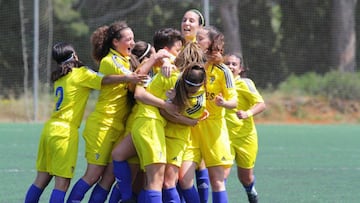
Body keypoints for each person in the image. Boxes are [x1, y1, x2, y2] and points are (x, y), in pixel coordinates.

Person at [24, 42, 147, 203]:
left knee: (41, 179)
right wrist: (127, 77)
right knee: (62, 183)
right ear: (74, 56)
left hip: (49, 128)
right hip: (65, 132)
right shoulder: (80, 73)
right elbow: (104, 79)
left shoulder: (60, 77)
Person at [66, 21, 148, 203]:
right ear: (115, 43)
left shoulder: (127, 59)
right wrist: (155, 59)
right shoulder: (109, 61)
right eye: (129, 39)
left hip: (118, 126)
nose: (133, 43)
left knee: (110, 178)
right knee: (93, 174)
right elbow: (133, 78)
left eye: (133, 39)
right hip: (102, 125)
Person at [109, 28, 184, 203]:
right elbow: (139, 93)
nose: (178, 55)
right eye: (177, 50)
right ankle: (127, 198)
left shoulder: (159, 69)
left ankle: (126, 198)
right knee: (156, 182)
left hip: (141, 124)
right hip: (150, 124)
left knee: (120, 157)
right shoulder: (167, 68)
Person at [180, 25, 238, 203]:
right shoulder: (190, 65)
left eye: (201, 38)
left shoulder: (222, 71)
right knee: (184, 180)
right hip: (191, 128)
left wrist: (224, 103)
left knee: (217, 182)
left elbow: (234, 101)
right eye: (196, 37)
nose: (196, 40)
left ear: (212, 43)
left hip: (213, 130)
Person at [223, 53, 266, 203]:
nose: (230, 66)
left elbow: (261, 104)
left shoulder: (246, 83)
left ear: (240, 68)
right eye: (227, 63)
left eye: (234, 64)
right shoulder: (217, 82)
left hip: (245, 136)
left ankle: (251, 192)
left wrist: (248, 113)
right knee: (221, 176)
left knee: (246, 177)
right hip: (224, 137)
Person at [179, 9, 211, 203]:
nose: (187, 23)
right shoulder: (177, 46)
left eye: (192, 20)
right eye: (184, 20)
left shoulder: (201, 50)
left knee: (198, 164)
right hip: (181, 114)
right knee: (182, 169)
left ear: (200, 27)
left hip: (197, 114)